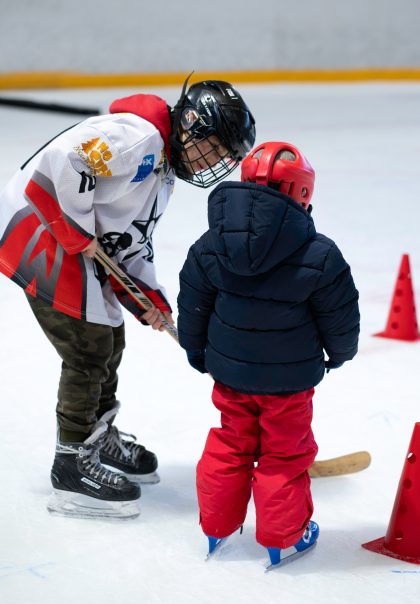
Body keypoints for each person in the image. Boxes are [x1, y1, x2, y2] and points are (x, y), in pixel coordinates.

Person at [0, 78, 256, 519]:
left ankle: (95, 437)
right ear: (191, 125)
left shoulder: (163, 172)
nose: (215, 160)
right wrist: (74, 228)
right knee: (88, 346)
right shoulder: (135, 137)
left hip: (68, 238)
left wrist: (148, 298)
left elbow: (127, 242)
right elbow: (65, 162)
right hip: (38, 228)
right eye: (214, 147)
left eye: (223, 155)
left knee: (112, 337)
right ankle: (70, 464)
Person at [177, 141, 360, 567]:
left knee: (230, 445)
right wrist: (340, 354)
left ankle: (215, 529)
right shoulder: (320, 255)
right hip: (289, 385)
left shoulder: (210, 244)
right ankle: (285, 538)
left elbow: (194, 302)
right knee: (284, 454)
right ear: (302, 194)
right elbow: (340, 318)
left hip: (230, 376)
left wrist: (195, 347)